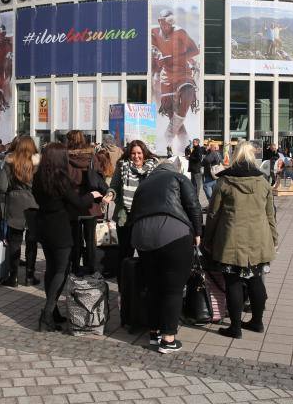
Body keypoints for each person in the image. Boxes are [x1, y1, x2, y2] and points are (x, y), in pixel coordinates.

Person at [128, 156, 202, 354]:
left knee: (152, 287)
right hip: (174, 233)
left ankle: (154, 333)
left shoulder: (144, 185)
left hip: (142, 235)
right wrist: (197, 233)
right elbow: (193, 205)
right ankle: (168, 339)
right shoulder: (178, 178)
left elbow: (132, 213)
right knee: (173, 288)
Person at [204, 142, 278, 339]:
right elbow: (270, 214)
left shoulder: (225, 181)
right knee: (255, 279)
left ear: (235, 156)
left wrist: (207, 239)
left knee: (233, 281)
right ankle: (257, 322)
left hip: (231, 239)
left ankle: (235, 327)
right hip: (259, 239)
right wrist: (274, 238)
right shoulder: (263, 182)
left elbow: (213, 214)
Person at [32, 142, 102, 331]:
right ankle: (47, 314)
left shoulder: (38, 177)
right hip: (60, 229)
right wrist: (92, 194)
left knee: (51, 269)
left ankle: (53, 312)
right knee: (61, 271)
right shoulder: (60, 178)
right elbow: (78, 202)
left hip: (44, 226)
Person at [103, 139, 158, 279]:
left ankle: (143, 281)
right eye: (133, 153)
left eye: (139, 153)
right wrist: (110, 195)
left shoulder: (153, 168)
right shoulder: (122, 166)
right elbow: (114, 186)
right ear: (129, 154)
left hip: (145, 216)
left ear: (144, 154)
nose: (136, 156)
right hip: (124, 216)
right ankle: (123, 283)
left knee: (145, 251)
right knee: (125, 252)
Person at [151, 9, 200, 153]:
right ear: (160, 21)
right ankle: (184, 144)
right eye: (166, 24)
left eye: (170, 24)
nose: (168, 27)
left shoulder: (180, 32)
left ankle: (168, 136)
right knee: (171, 112)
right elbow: (150, 49)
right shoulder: (153, 33)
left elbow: (195, 50)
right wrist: (157, 56)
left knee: (187, 94)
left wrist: (177, 57)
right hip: (166, 75)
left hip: (182, 71)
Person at [0, 135, 40, 287]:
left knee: (14, 242)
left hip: (14, 203)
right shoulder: (37, 164)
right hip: (33, 204)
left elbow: (2, 187)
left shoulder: (8, 162)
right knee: (32, 242)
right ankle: (30, 276)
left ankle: (13, 276)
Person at [66, 130, 108, 276]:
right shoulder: (92, 157)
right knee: (90, 239)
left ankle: (75, 268)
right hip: (92, 205)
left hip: (73, 203)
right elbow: (99, 177)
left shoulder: (65, 158)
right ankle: (91, 268)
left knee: (74, 239)